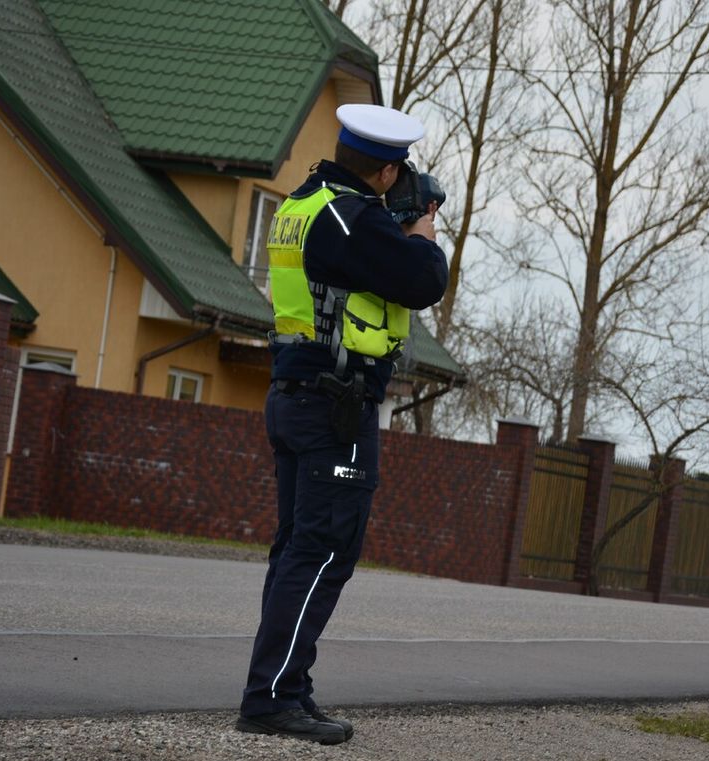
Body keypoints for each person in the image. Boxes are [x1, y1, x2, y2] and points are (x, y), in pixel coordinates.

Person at [236, 104, 449, 745]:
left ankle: (285, 690)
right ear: (384, 172)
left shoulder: (302, 205)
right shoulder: (348, 218)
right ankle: (271, 697)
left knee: (299, 549)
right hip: (335, 408)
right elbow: (424, 280)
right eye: (399, 171)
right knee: (324, 551)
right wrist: (423, 230)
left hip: (297, 395)